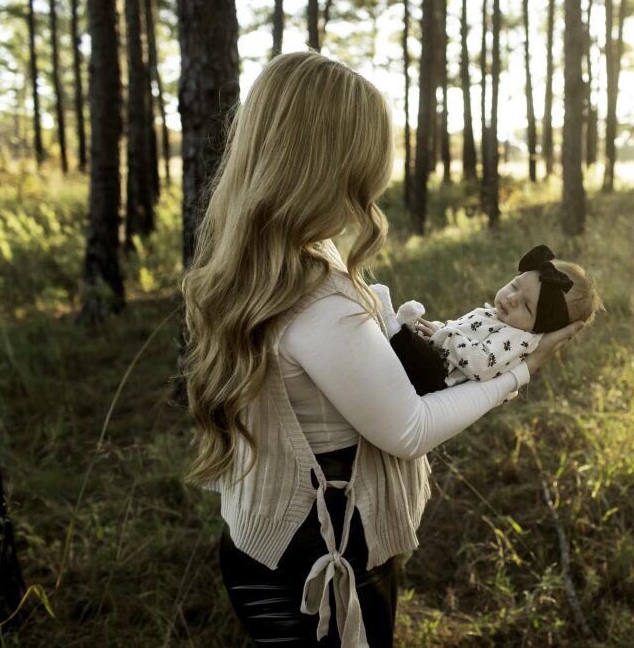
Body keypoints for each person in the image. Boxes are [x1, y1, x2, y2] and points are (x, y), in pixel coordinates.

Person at [180, 51, 584, 647]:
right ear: (333, 163)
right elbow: (410, 428)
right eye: (369, 160)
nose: (376, 179)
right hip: (322, 559)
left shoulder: (256, 264)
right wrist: (520, 374)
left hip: (263, 538)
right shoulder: (319, 298)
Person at [371, 244, 603, 395]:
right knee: (407, 344)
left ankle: (393, 326)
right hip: (438, 357)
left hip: (437, 377)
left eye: (527, 306)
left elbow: (480, 363)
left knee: (405, 355)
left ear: (540, 328)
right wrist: (439, 329)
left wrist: (442, 336)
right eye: (515, 285)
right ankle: (398, 329)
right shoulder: (500, 317)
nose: (512, 299)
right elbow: (460, 333)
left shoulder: (518, 338)